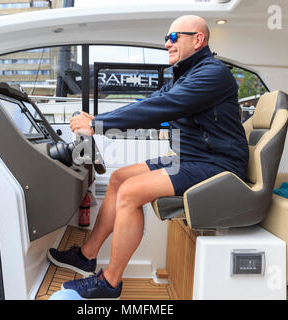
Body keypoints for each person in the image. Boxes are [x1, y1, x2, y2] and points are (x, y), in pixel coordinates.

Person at [47, 15, 249, 300]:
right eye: (166, 38)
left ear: (199, 40)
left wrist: (97, 125)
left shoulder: (212, 74)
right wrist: (99, 118)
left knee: (130, 193)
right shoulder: (188, 74)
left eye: (174, 37)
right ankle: (86, 256)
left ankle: (109, 283)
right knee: (118, 178)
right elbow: (150, 103)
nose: (168, 43)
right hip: (191, 157)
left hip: (216, 164)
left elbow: (163, 107)